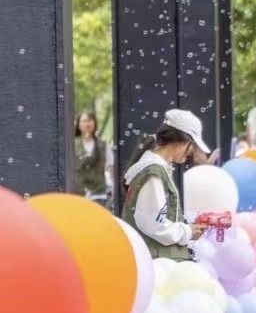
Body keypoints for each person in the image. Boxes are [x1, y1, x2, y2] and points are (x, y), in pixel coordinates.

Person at [120, 110, 211, 259]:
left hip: (153, 260)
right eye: (192, 145)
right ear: (182, 140)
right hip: (157, 263)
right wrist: (187, 231)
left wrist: (187, 229)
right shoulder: (154, 173)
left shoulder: (153, 169)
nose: (192, 151)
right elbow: (152, 223)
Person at [74, 111, 112, 208]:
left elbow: (111, 167)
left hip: (99, 193)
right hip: (78, 194)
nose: (87, 124)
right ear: (78, 124)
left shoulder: (103, 145)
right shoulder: (72, 144)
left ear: (94, 123)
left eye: (90, 121)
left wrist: (115, 189)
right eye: (84, 121)